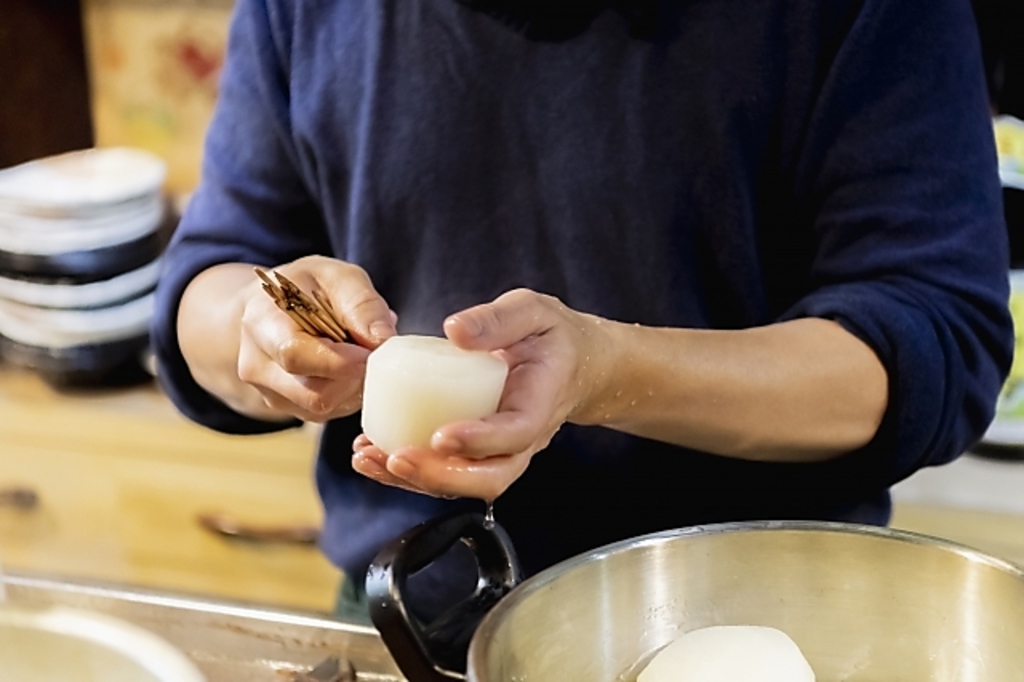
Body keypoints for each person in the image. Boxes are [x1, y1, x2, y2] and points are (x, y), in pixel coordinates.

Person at [152, 0, 1014, 619]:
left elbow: (936, 338)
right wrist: (259, 335)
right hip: (414, 613)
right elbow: (210, 280)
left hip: (760, 618)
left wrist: (607, 373)